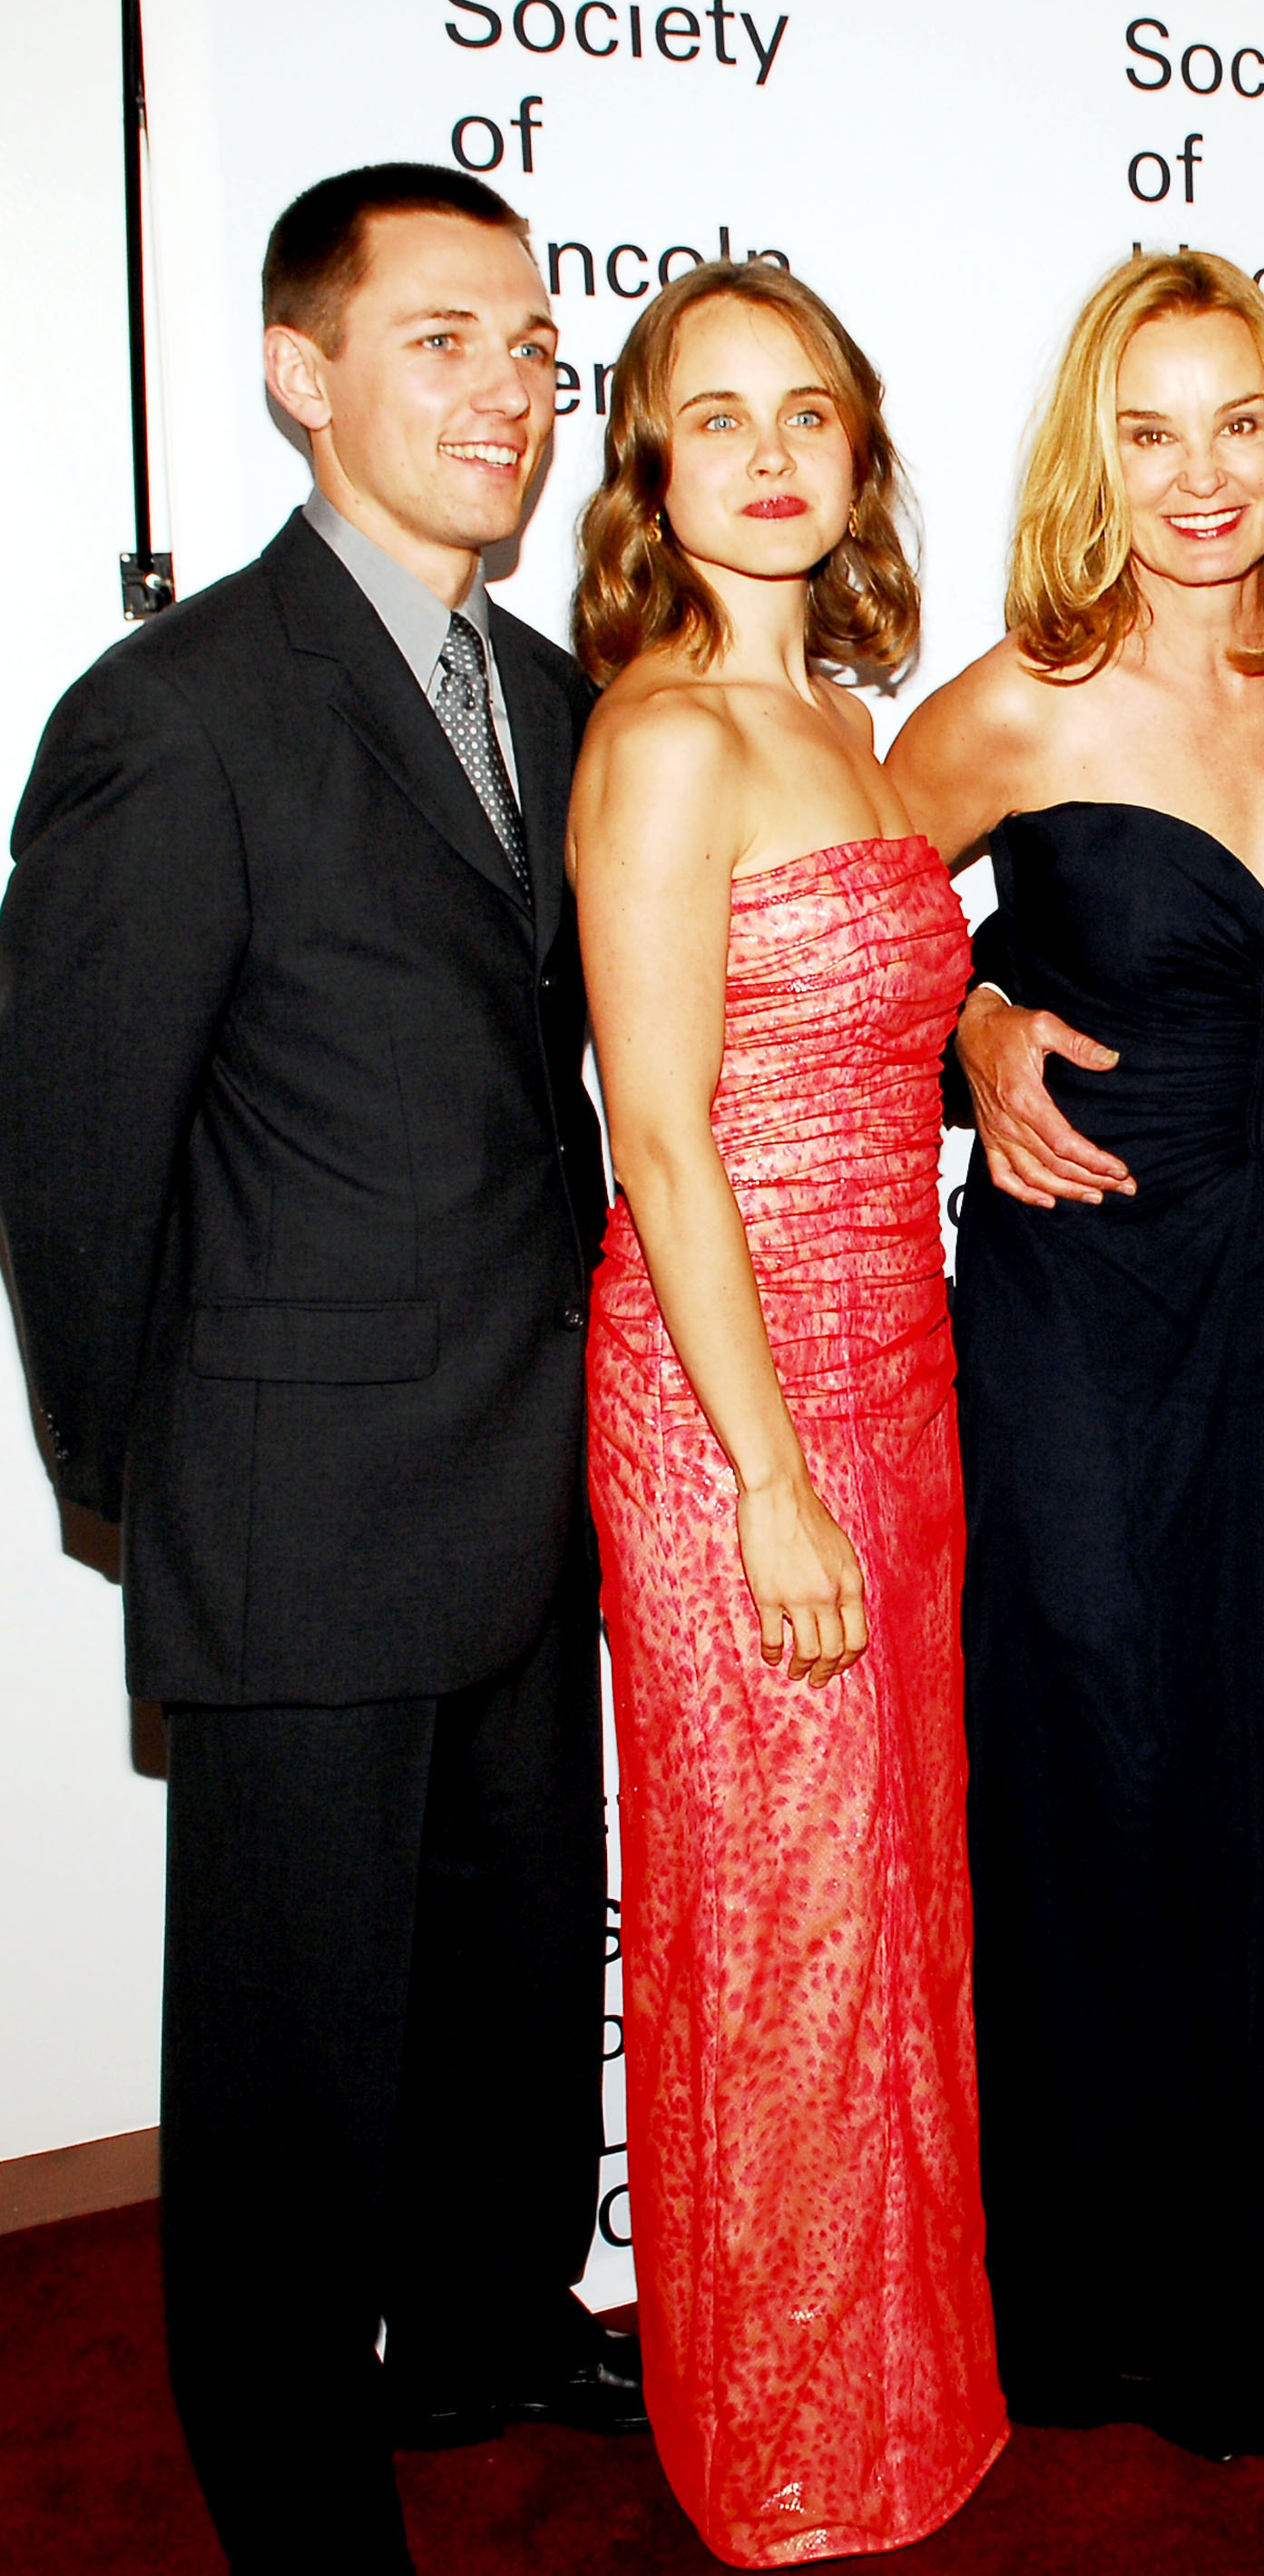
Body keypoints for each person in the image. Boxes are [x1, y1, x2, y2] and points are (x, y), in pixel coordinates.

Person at [0, 164, 639, 2573]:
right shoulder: (171, 715)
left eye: (535, 347)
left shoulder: (551, 691)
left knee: (498, 1964)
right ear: (305, 369)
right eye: (450, 339)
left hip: (522, 1465)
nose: (512, 392)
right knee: (285, 2056)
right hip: (291, 1500)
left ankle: (480, 2320)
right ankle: (287, 2466)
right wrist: (148, 1494)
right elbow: (75, 1149)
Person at [888, 251, 1264, 2461]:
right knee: (1110, 1749)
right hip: (1096, 1299)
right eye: (1151, 431)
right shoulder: (1019, 695)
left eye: (1239, 422)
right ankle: (1107, 2288)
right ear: (1097, 455)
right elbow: (835, 936)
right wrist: (980, 1022)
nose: (1200, 477)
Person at [569, 262, 1005, 2561]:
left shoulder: (847, 718)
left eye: (806, 412)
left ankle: (900, 2381)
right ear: (653, 465)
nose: (765, 452)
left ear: (855, 454)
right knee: (776, 1924)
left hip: (900, 1374)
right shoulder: (660, 738)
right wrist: (766, 1485)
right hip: (736, 1411)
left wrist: (1004, 1034)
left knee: (885, 1899)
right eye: (711, 416)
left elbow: (904, 1006)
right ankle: (787, 2440)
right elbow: (663, 1134)